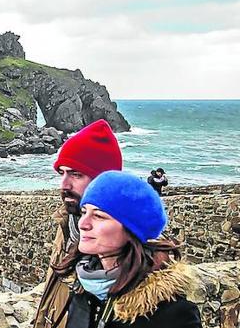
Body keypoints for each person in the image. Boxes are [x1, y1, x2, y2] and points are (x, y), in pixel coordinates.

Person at [52, 171, 202, 328]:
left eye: (99, 216)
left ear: (132, 230)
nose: (83, 224)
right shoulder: (84, 288)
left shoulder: (172, 314)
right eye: (84, 212)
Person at [33, 119, 122, 328]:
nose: (64, 184)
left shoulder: (128, 244)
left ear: (104, 180)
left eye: (76, 174)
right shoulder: (69, 223)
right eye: (62, 173)